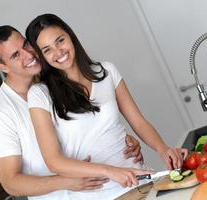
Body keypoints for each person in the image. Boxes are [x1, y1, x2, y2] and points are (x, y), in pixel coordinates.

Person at [25, 13, 188, 199]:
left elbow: (138, 121)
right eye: (47, 50)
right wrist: (110, 171)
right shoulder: (40, 94)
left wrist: (163, 149)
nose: (58, 52)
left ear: (70, 36)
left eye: (60, 40)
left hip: (138, 180)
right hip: (97, 193)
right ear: (42, 56)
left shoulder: (107, 71)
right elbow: (54, 161)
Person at [0, 25, 143, 200]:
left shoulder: (55, 80)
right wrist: (66, 181)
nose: (28, 55)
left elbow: (87, 127)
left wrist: (119, 139)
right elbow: (11, 183)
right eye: (15, 55)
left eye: (26, 45)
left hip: (104, 191)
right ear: (3, 67)